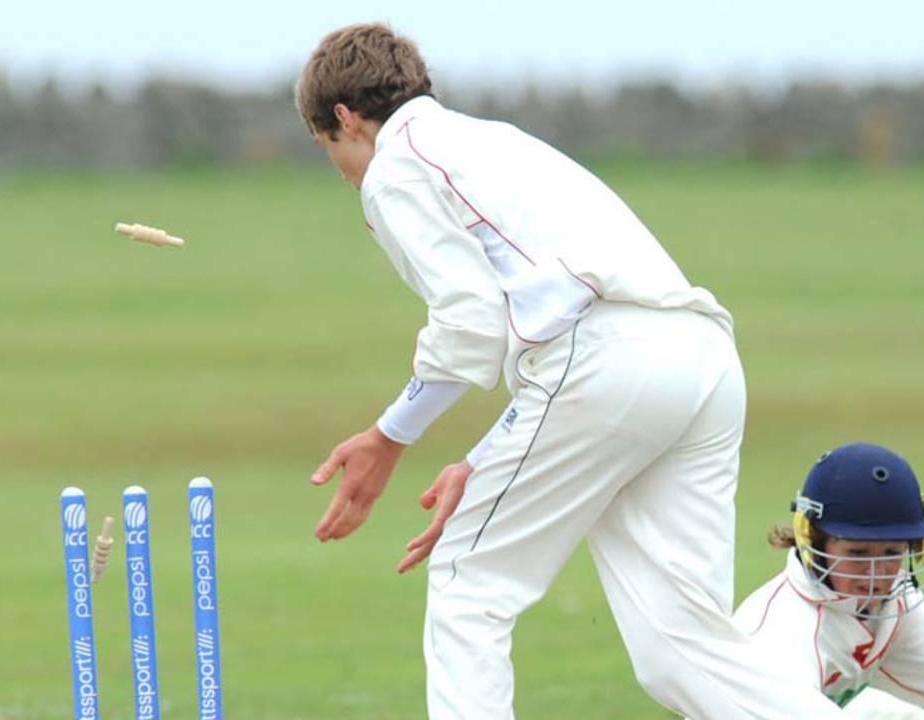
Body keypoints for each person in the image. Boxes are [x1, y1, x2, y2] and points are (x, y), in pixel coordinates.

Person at [297, 23, 846, 719]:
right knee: (683, 651)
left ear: (344, 118)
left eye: (328, 150)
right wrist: (492, 455)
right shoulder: (491, 140)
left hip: (606, 365)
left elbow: (473, 322)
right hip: (701, 358)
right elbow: (550, 326)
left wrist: (389, 436)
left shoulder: (396, 166)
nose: (343, 171)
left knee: (471, 582)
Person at [733, 442, 924, 719]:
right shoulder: (783, 633)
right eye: (857, 553)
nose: (875, 575)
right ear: (813, 540)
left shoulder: (894, 602)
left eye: (891, 552)